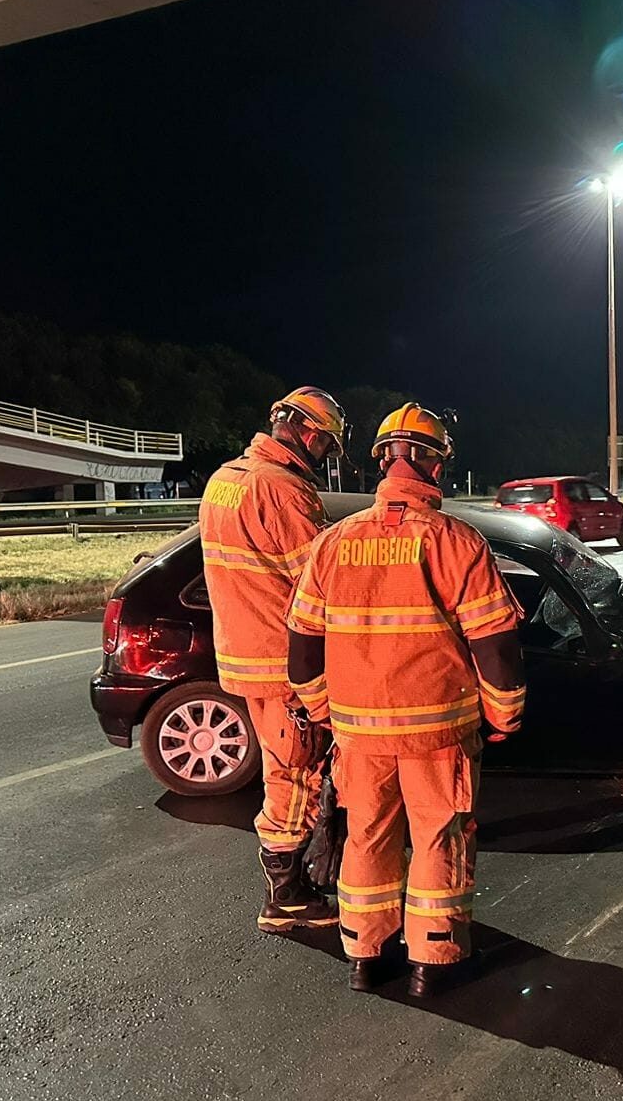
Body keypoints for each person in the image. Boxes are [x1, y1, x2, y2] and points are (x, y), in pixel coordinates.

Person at [286, 402, 525, 997]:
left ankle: (365, 958)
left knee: (366, 837)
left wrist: (324, 711)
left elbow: (302, 645)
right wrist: (505, 714)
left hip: (359, 737)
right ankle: (433, 960)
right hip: (437, 735)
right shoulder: (457, 542)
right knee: (439, 839)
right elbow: (496, 646)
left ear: (383, 463)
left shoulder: (332, 543)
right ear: (431, 464)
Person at [199, 386, 348, 933]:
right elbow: (322, 586)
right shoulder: (284, 492)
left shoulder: (225, 480)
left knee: (284, 767)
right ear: (309, 434)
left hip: (242, 656)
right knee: (296, 775)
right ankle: (286, 895)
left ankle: (289, 884)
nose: (326, 457)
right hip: (283, 664)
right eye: (328, 446)